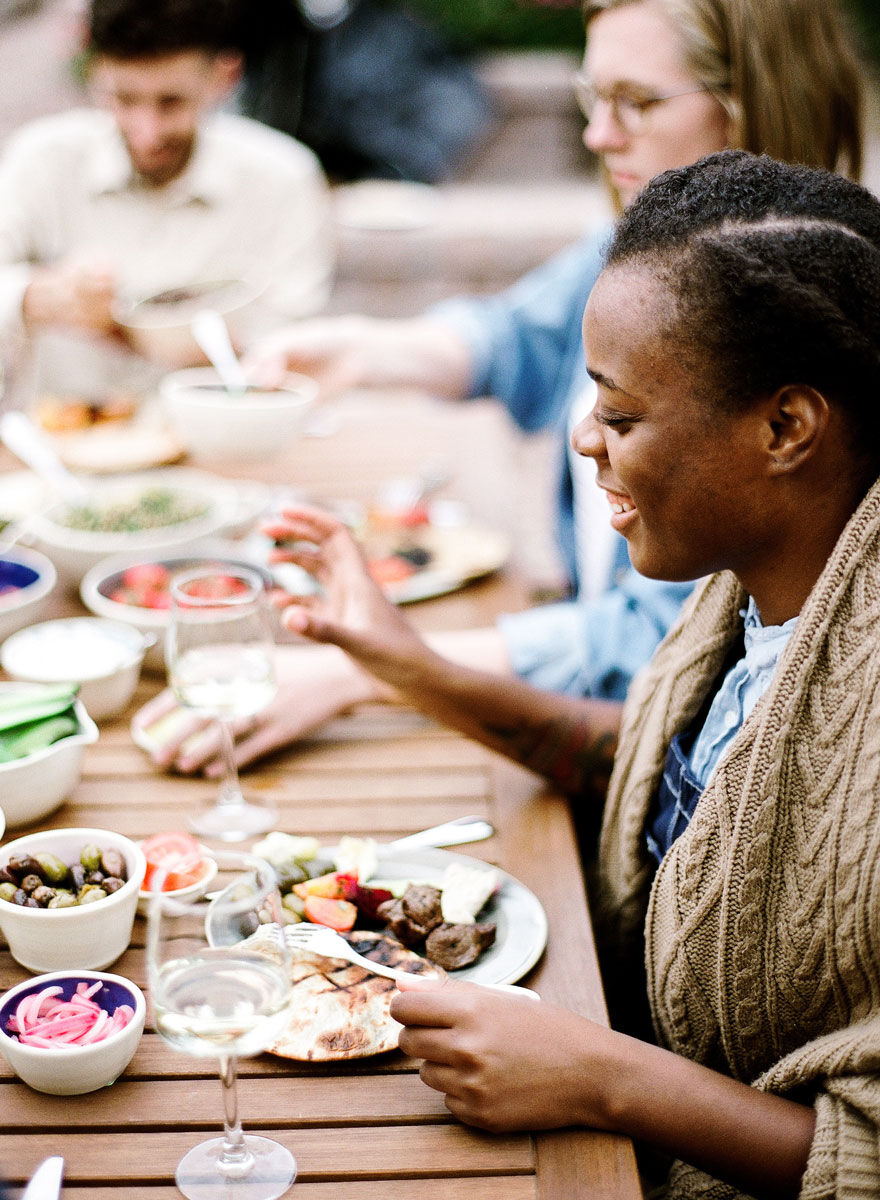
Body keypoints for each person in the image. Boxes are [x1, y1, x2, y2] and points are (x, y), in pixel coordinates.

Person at [263, 149, 880, 1197]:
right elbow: (676, 785)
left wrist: (604, 1082)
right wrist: (398, 666)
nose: (586, 441)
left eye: (622, 414)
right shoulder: (749, 593)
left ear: (785, 426)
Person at [133, 0, 864, 779]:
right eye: (592, 98)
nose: (597, 133)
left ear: (750, 101)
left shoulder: (799, 330)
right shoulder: (662, 246)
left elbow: (661, 656)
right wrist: (360, 351)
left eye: (636, 101)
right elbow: (521, 334)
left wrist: (377, 667)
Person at [0, 0, 333, 411]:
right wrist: (37, 295)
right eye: (124, 98)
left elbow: (292, 340)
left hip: (224, 443)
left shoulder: (284, 178)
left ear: (224, 77)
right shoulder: (41, 159)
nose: (146, 131)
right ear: (94, 73)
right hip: (64, 443)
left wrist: (139, 334)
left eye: (171, 102)